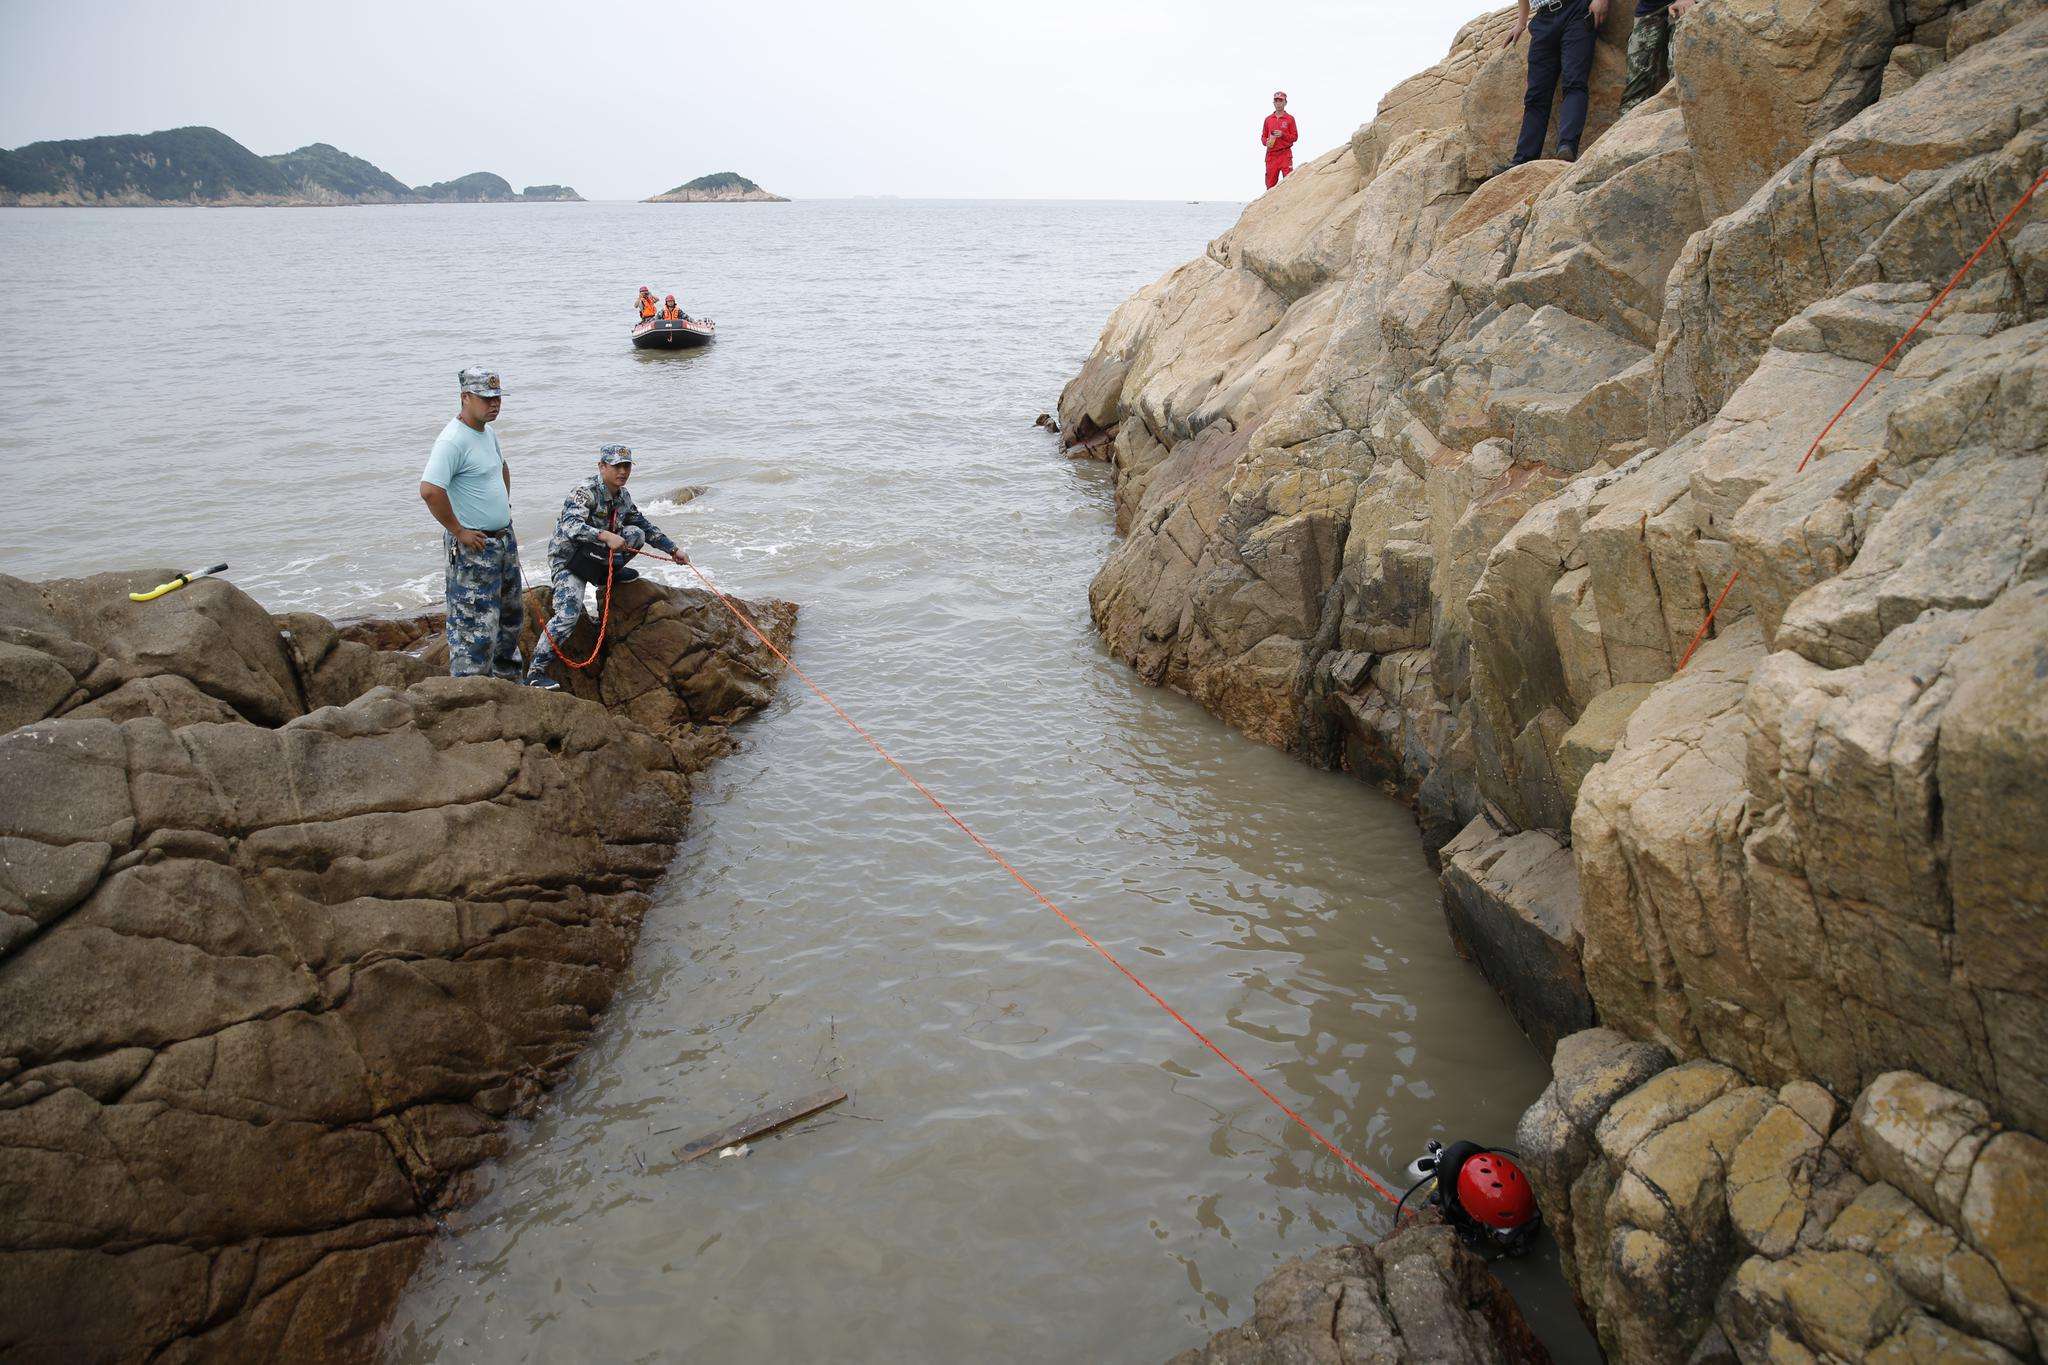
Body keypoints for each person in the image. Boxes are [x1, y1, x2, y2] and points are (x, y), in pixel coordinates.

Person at [525, 444, 688, 690]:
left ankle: (605, 576)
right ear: (602, 467)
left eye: (627, 466)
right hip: (569, 561)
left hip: (596, 557)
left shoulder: (623, 497)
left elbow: (644, 525)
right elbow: (570, 526)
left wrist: (673, 550)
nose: (622, 471)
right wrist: (604, 535)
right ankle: (535, 673)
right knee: (568, 615)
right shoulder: (585, 491)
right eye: (616, 466)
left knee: (635, 533)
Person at [419, 366, 524, 680]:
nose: (494, 404)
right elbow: (430, 490)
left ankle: (509, 687)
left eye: (497, 398)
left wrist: (502, 506)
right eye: (485, 398)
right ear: (465, 397)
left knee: (510, 620)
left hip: (502, 541)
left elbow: (501, 468)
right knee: (474, 630)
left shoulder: (487, 432)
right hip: (474, 547)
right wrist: (459, 530)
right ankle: (470, 695)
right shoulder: (452, 440)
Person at [1506, 0, 1608, 167]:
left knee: (1574, 82)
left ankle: (1566, 147)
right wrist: (1521, 22)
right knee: (1535, 96)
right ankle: (1523, 160)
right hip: (1543, 19)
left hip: (1576, 10)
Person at [1618, 0, 1695, 118]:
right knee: (1634, 91)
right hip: (1650, 8)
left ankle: (1684, 130)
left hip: (1688, 6)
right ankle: (1624, 134)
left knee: (1679, 79)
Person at [1262, 92, 1298, 191]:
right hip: (1271, 155)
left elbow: (1295, 137)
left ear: (1285, 102)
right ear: (1273, 103)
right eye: (1276, 101)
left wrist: (1283, 134)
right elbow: (1263, 137)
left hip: (1285, 154)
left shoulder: (1290, 119)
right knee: (1270, 185)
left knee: (1289, 181)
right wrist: (1266, 142)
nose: (1278, 103)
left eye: (1281, 101)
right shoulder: (1268, 119)